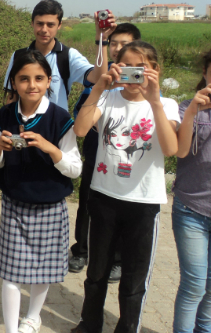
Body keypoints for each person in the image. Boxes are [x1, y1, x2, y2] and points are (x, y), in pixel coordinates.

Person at [71, 41, 179, 333]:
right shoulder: (108, 98)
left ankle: (128, 327)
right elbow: (80, 130)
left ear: (155, 70)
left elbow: (171, 148)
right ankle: (89, 323)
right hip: (104, 196)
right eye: (127, 67)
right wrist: (100, 87)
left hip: (144, 203)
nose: (134, 75)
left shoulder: (167, 104)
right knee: (96, 272)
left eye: (141, 68)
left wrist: (154, 100)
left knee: (134, 278)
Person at [0, 50, 82, 333]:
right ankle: (11, 329)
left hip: (51, 206)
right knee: (10, 273)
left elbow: (75, 168)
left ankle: (33, 317)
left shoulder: (60, 118)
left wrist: (48, 146)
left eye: (39, 78)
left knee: (44, 270)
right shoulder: (4, 115)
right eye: (24, 79)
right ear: (14, 83)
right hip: (15, 203)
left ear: (49, 81)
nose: (32, 85)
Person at [69, 23, 142, 281]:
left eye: (125, 44)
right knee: (88, 202)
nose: (118, 48)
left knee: (123, 207)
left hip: (128, 160)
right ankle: (81, 250)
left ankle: (119, 259)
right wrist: (102, 85)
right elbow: (82, 123)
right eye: (114, 43)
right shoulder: (101, 82)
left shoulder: (142, 87)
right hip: (96, 153)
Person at [3, 0, 116, 112]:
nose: (44, 30)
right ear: (32, 23)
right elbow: (12, 96)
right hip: (23, 127)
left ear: (59, 25)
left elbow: (98, 78)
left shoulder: (68, 56)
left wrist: (102, 39)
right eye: (40, 24)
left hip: (57, 127)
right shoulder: (19, 56)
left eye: (50, 25)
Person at [171, 49, 211, 333]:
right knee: (195, 284)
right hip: (191, 209)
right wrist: (194, 112)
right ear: (205, 73)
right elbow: (181, 150)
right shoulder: (188, 107)